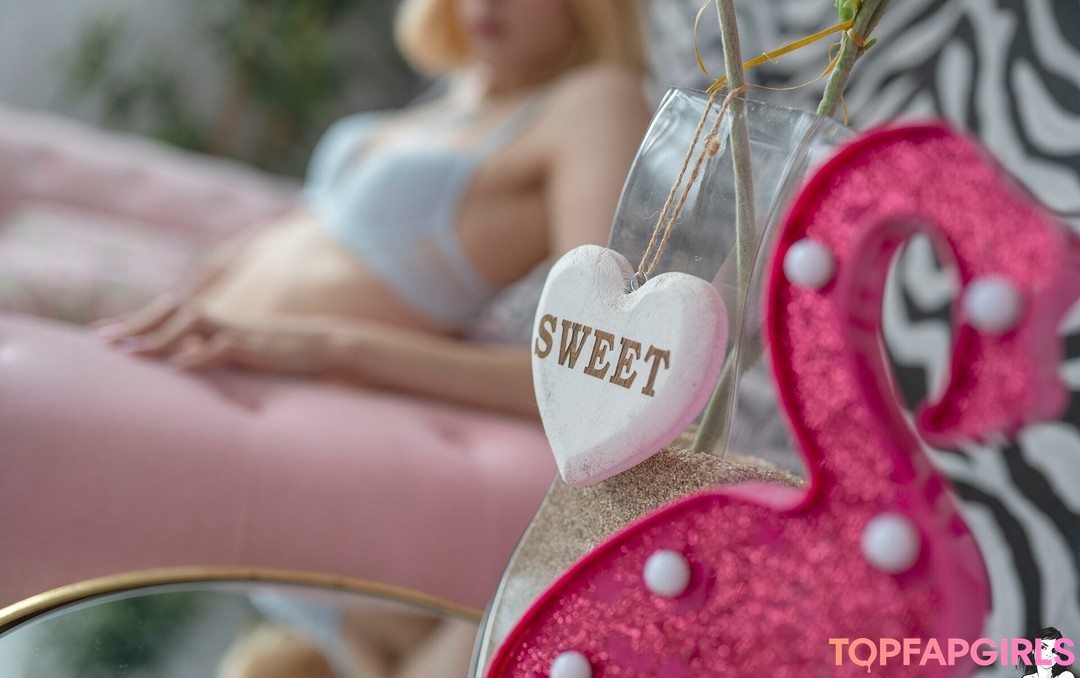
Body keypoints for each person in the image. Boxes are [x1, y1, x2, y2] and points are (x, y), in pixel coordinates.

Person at [93, 0, 651, 420]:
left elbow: (590, 370)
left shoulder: (597, 100)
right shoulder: (455, 96)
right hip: (185, 336)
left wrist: (333, 347)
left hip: (257, 375)